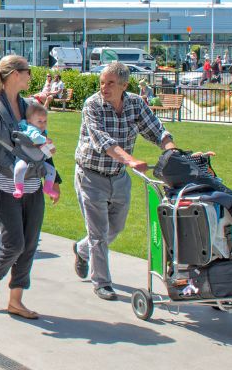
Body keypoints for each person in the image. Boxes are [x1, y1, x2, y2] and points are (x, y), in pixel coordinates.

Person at [73, 61, 177, 301]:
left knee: (115, 228)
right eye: (101, 82)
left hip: (118, 177)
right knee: (98, 233)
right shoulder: (92, 105)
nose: (104, 88)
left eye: (110, 83)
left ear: (124, 85)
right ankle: (102, 283)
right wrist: (130, 160)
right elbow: (103, 141)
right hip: (91, 175)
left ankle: (81, 249)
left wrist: (171, 150)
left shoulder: (135, 104)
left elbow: (156, 130)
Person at [0, 55, 58, 320]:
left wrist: (54, 178)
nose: (30, 76)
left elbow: (39, 142)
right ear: (14, 74)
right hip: (5, 184)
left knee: (30, 243)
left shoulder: (28, 106)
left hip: (33, 184)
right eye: (27, 71)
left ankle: (16, 300)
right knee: (14, 243)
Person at [12, 100, 58, 201]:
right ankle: (19, 189)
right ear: (29, 121)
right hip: (25, 158)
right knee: (19, 169)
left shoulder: (42, 132)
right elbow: (36, 138)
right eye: (39, 121)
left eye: (45, 121)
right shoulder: (31, 129)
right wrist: (46, 140)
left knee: (51, 170)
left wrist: (51, 150)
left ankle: (48, 187)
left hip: (38, 160)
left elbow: (44, 150)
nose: (43, 124)